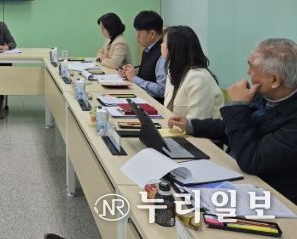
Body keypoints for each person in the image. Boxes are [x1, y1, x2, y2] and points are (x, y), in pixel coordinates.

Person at [168, 38, 297, 204]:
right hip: (237, 175)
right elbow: (233, 129)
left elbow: (252, 160)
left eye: (252, 68)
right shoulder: (264, 95)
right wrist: (191, 125)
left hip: (271, 196)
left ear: (274, 80)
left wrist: (237, 106)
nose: (247, 72)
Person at [162, 25, 223, 119]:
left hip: (195, 129)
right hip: (174, 127)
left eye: (164, 42)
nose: (161, 45)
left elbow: (196, 123)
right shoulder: (173, 71)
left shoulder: (198, 78)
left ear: (176, 47)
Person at [119, 11, 165, 101]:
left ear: (152, 34)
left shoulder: (163, 54)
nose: (137, 37)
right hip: (142, 98)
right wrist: (131, 73)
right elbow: (149, 75)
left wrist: (134, 78)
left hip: (154, 104)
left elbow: (161, 90)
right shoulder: (148, 49)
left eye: (139, 33)